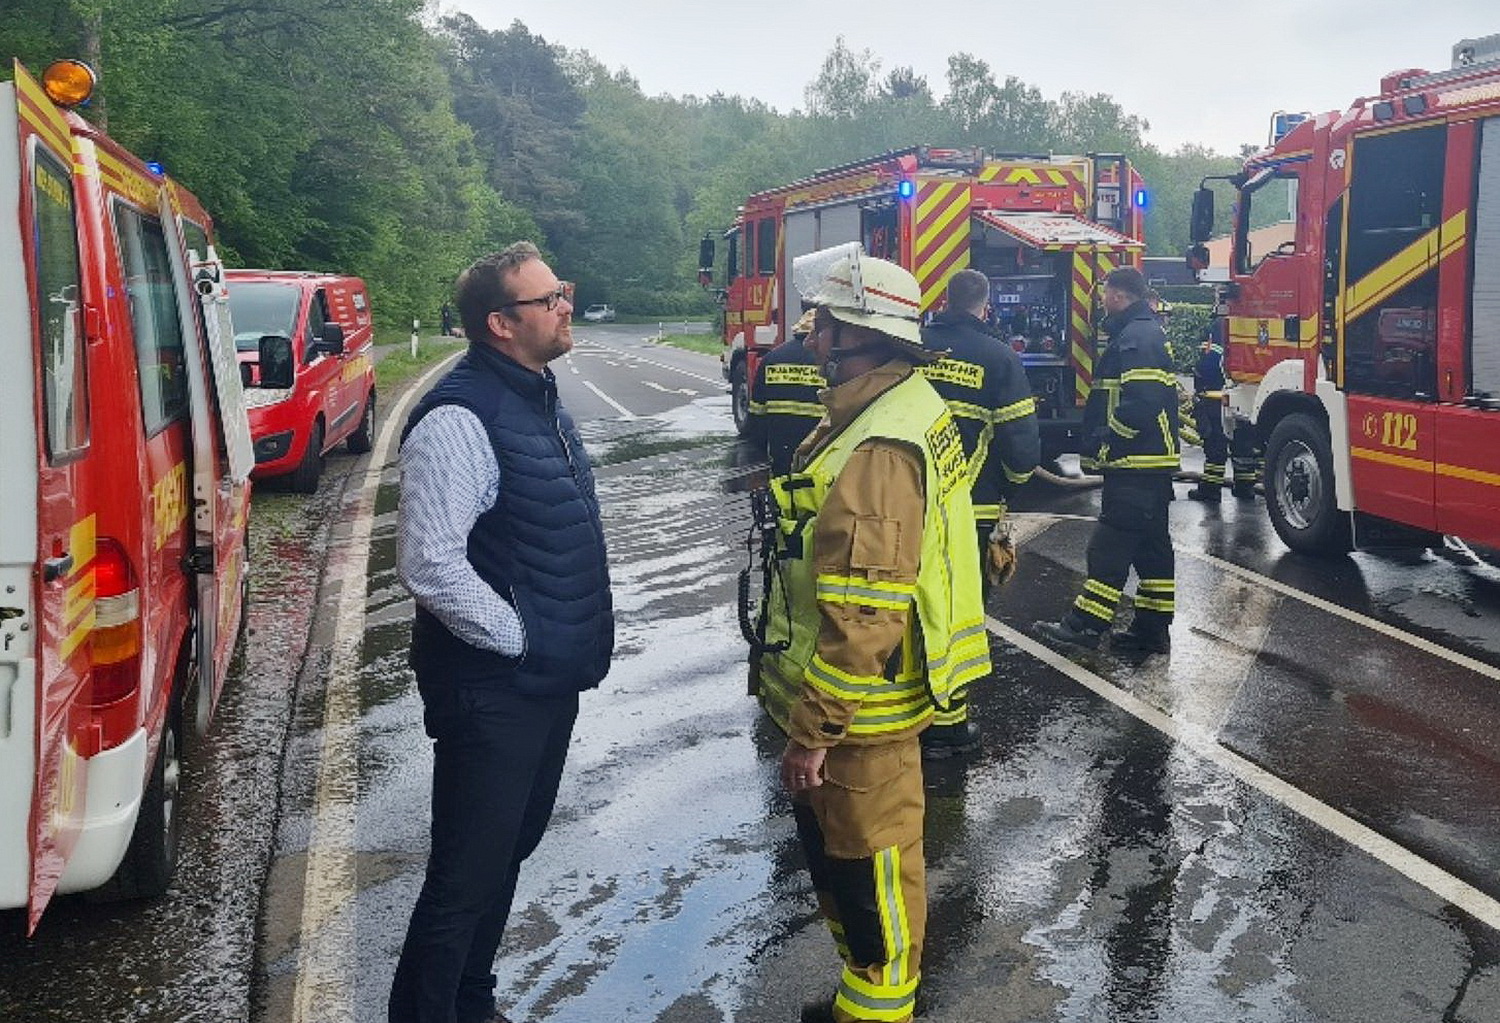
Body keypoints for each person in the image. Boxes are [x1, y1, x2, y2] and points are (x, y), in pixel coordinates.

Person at [751, 252, 990, 1023]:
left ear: (859, 336)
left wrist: (812, 732)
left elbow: (864, 613)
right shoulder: (896, 405)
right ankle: (867, 995)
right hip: (867, 703)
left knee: (870, 878)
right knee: (861, 875)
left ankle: (876, 1010)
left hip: (864, 713)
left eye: (823, 324)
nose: (811, 337)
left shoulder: (881, 444)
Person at [389, 242, 614, 1023]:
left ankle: (472, 1004)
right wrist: (523, 639)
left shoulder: (534, 393)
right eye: (549, 297)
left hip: (543, 682)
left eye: (563, 289)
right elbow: (430, 566)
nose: (565, 305)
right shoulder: (460, 415)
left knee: (503, 855)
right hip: (492, 687)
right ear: (499, 322)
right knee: (462, 878)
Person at [917, 268, 1039, 757]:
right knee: (959, 611)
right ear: (986, 307)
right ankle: (948, 725)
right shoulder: (1000, 359)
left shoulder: (914, 348)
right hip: (970, 507)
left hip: (908, 503)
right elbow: (1022, 447)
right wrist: (1015, 484)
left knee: (912, 606)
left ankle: (908, 715)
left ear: (945, 301)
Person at [1033, 266, 1180, 656]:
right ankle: (1152, 630)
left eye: (1104, 295)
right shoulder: (1142, 332)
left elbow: (1143, 401)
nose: (1100, 302)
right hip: (1148, 465)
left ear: (1118, 295)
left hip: (1134, 463)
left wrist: (1109, 439)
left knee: (1108, 548)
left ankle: (1084, 626)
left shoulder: (1136, 336)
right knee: (1152, 551)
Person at [745, 308, 825, 478]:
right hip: (822, 456)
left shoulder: (772, 359)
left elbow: (756, 418)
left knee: (783, 500)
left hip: (782, 457)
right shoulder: (830, 361)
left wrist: (759, 461)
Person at [1186, 328, 1228, 501]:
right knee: (1243, 447)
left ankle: (1210, 489)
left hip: (1213, 397)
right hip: (1235, 395)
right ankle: (1244, 486)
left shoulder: (1218, 326)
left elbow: (1209, 362)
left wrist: (1201, 387)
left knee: (1214, 444)